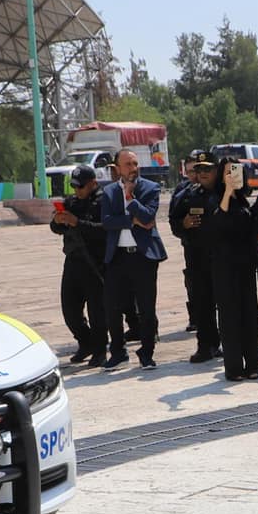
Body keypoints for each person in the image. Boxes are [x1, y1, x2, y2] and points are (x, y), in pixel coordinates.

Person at [198, 151, 258, 382]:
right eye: (226, 171)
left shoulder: (244, 199)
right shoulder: (214, 197)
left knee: (249, 313)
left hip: (245, 264)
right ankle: (234, 366)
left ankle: (253, 363)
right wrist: (227, 191)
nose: (231, 175)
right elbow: (218, 220)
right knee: (229, 316)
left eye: (234, 170)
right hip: (224, 265)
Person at [99, 148, 166, 370]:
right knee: (112, 307)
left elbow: (148, 216)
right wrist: (131, 219)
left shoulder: (150, 188)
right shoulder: (108, 192)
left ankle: (147, 352)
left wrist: (130, 198)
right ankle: (118, 352)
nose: (133, 169)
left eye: (135, 164)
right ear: (117, 168)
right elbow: (107, 222)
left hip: (143, 257)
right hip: (118, 257)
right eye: (128, 164)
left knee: (147, 308)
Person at [165, 150, 221, 364]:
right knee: (202, 303)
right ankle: (206, 345)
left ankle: (229, 343)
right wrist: (184, 225)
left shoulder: (225, 192)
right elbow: (174, 222)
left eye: (207, 169)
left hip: (221, 257)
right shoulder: (187, 195)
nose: (202, 173)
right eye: (199, 170)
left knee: (226, 304)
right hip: (197, 257)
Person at [49, 163, 108, 364]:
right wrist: (58, 220)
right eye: (74, 186)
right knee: (70, 310)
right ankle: (86, 342)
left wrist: (78, 223)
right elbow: (55, 228)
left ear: (92, 183)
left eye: (80, 186)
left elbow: (105, 230)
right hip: (73, 261)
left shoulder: (103, 201)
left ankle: (100, 349)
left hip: (95, 262)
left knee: (97, 311)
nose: (77, 190)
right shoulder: (71, 202)